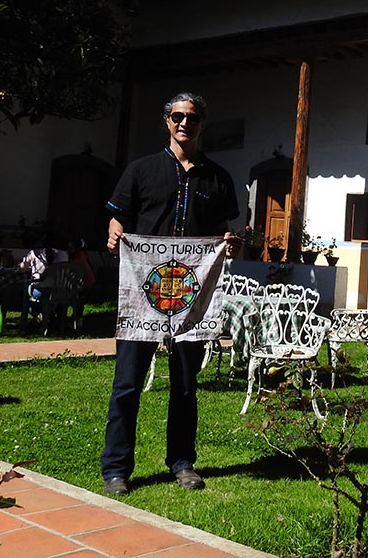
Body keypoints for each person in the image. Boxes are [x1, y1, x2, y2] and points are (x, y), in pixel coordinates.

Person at [100, 91, 240, 496]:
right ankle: (116, 468)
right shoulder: (140, 170)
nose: (184, 123)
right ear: (167, 121)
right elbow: (117, 215)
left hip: (189, 300)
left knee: (184, 384)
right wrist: (114, 232)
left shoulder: (218, 177)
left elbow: (223, 232)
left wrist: (228, 244)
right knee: (127, 383)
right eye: (177, 116)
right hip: (142, 293)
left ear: (202, 124)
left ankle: (182, 463)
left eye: (192, 118)